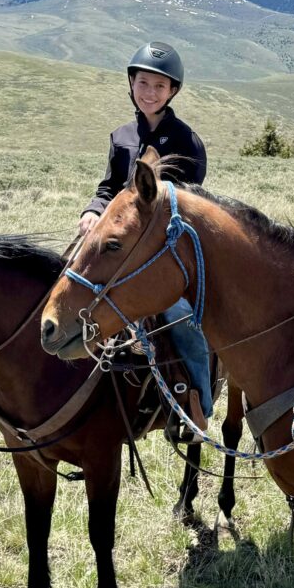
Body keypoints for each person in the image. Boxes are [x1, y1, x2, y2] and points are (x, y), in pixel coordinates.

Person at [78, 41, 213, 434]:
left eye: (159, 86)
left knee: (182, 319)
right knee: (69, 285)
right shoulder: (121, 136)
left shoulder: (186, 141)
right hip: (119, 243)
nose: (149, 92)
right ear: (131, 84)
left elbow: (191, 200)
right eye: (143, 83)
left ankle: (198, 407)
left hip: (164, 250)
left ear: (172, 91)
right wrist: (92, 211)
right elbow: (108, 188)